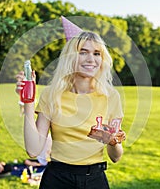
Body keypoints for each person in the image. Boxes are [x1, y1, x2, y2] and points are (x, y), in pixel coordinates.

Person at [16, 31, 126, 189]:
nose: (91, 59)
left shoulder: (111, 96)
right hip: (57, 180)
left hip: (95, 180)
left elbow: (116, 157)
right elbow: (33, 150)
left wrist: (113, 141)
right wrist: (28, 102)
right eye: (83, 52)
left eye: (97, 53)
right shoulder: (52, 94)